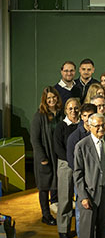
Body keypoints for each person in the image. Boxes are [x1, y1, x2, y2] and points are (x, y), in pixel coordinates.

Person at [30, 87, 61, 226]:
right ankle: (46, 215)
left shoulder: (60, 114)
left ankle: (59, 211)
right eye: (49, 98)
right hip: (45, 156)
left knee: (57, 184)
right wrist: (42, 157)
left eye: (54, 97)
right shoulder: (39, 116)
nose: (52, 100)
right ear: (44, 100)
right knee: (44, 187)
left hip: (57, 155)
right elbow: (34, 139)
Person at [53, 97, 81, 238]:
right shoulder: (60, 126)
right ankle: (63, 229)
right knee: (65, 198)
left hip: (81, 164)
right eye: (70, 108)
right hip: (65, 164)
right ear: (65, 110)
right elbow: (58, 147)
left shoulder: (83, 125)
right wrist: (70, 161)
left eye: (76, 108)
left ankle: (82, 228)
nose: (73, 111)